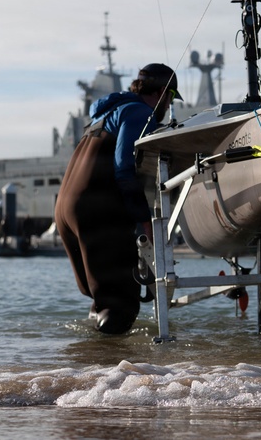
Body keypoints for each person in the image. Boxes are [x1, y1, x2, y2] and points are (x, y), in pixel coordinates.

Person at [53, 63, 182, 334]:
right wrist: (144, 219)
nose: (169, 105)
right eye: (170, 98)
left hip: (66, 209)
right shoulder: (140, 113)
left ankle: (91, 357)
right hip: (96, 209)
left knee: (102, 298)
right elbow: (124, 168)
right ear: (162, 93)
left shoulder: (106, 114)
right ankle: (111, 361)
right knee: (120, 305)